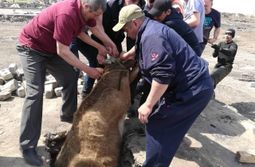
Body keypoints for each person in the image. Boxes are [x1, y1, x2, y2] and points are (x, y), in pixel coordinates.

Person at [113, 4, 213, 166]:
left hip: (192, 89)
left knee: (159, 126)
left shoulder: (152, 37)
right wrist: (125, 56)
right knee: (164, 123)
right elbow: (138, 47)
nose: (126, 33)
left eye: (125, 29)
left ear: (135, 23)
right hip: (185, 86)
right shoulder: (148, 29)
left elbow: (162, 75)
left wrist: (148, 104)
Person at [16, 0, 114, 165]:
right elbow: (63, 50)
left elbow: (80, 33)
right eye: (95, 14)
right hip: (31, 47)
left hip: (51, 48)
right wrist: (88, 70)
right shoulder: (66, 13)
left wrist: (101, 46)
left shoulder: (84, 12)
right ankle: (27, 146)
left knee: (69, 77)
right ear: (86, 6)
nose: (96, 18)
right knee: (35, 92)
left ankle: (68, 115)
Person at [70, 0, 145, 98]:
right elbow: (97, 28)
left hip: (116, 38)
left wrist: (131, 53)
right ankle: (87, 92)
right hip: (101, 36)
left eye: (136, 4)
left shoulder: (141, 6)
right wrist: (102, 47)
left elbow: (132, 35)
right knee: (96, 62)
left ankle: (119, 91)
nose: (133, 6)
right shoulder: (109, 6)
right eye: (131, 3)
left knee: (120, 63)